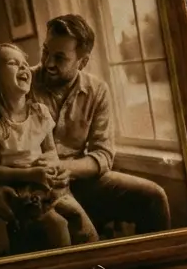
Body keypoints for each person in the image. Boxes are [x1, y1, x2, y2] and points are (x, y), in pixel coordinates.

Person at [27, 13, 171, 236]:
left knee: (154, 197)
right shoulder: (22, 83)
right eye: (46, 51)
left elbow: (103, 154)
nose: (48, 63)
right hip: (36, 185)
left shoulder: (97, 90)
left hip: (83, 181)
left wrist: (67, 168)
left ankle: (153, 266)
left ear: (82, 62)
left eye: (60, 58)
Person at [0, 42, 99, 249]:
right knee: (58, 226)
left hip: (45, 182)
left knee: (78, 218)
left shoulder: (40, 112)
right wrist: (31, 174)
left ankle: (95, 262)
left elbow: (50, 152)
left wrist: (51, 166)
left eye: (24, 63)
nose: (23, 68)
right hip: (19, 188)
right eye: (13, 63)